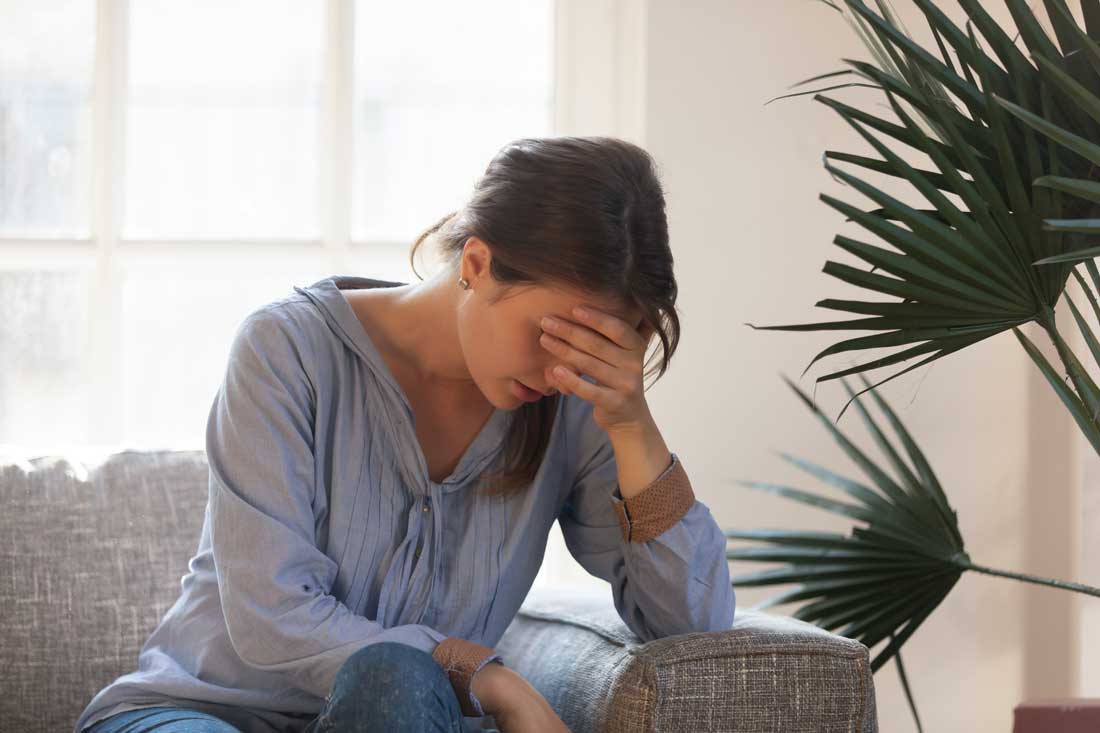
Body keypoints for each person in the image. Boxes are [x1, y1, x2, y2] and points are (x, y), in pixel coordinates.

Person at [74, 136, 735, 733]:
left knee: (397, 685)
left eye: (593, 347)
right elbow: (271, 614)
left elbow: (691, 632)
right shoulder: (286, 350)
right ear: (476, 263)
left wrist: (630, 421)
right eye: (550, 331)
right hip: (202, 712)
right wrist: (482, 675)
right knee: (399, 674)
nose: (560, 366)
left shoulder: (572, 402)